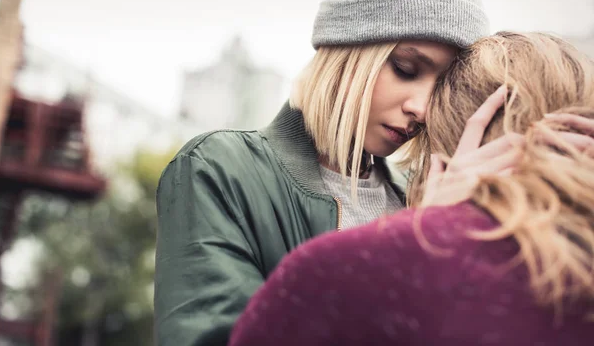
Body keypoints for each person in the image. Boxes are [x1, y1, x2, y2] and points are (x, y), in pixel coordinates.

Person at [228, 31, 594, 346]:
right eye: (405, 69)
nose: (419, 111)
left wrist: (423, 239)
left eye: (434, 93)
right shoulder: (224, 163)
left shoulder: (335, 269)